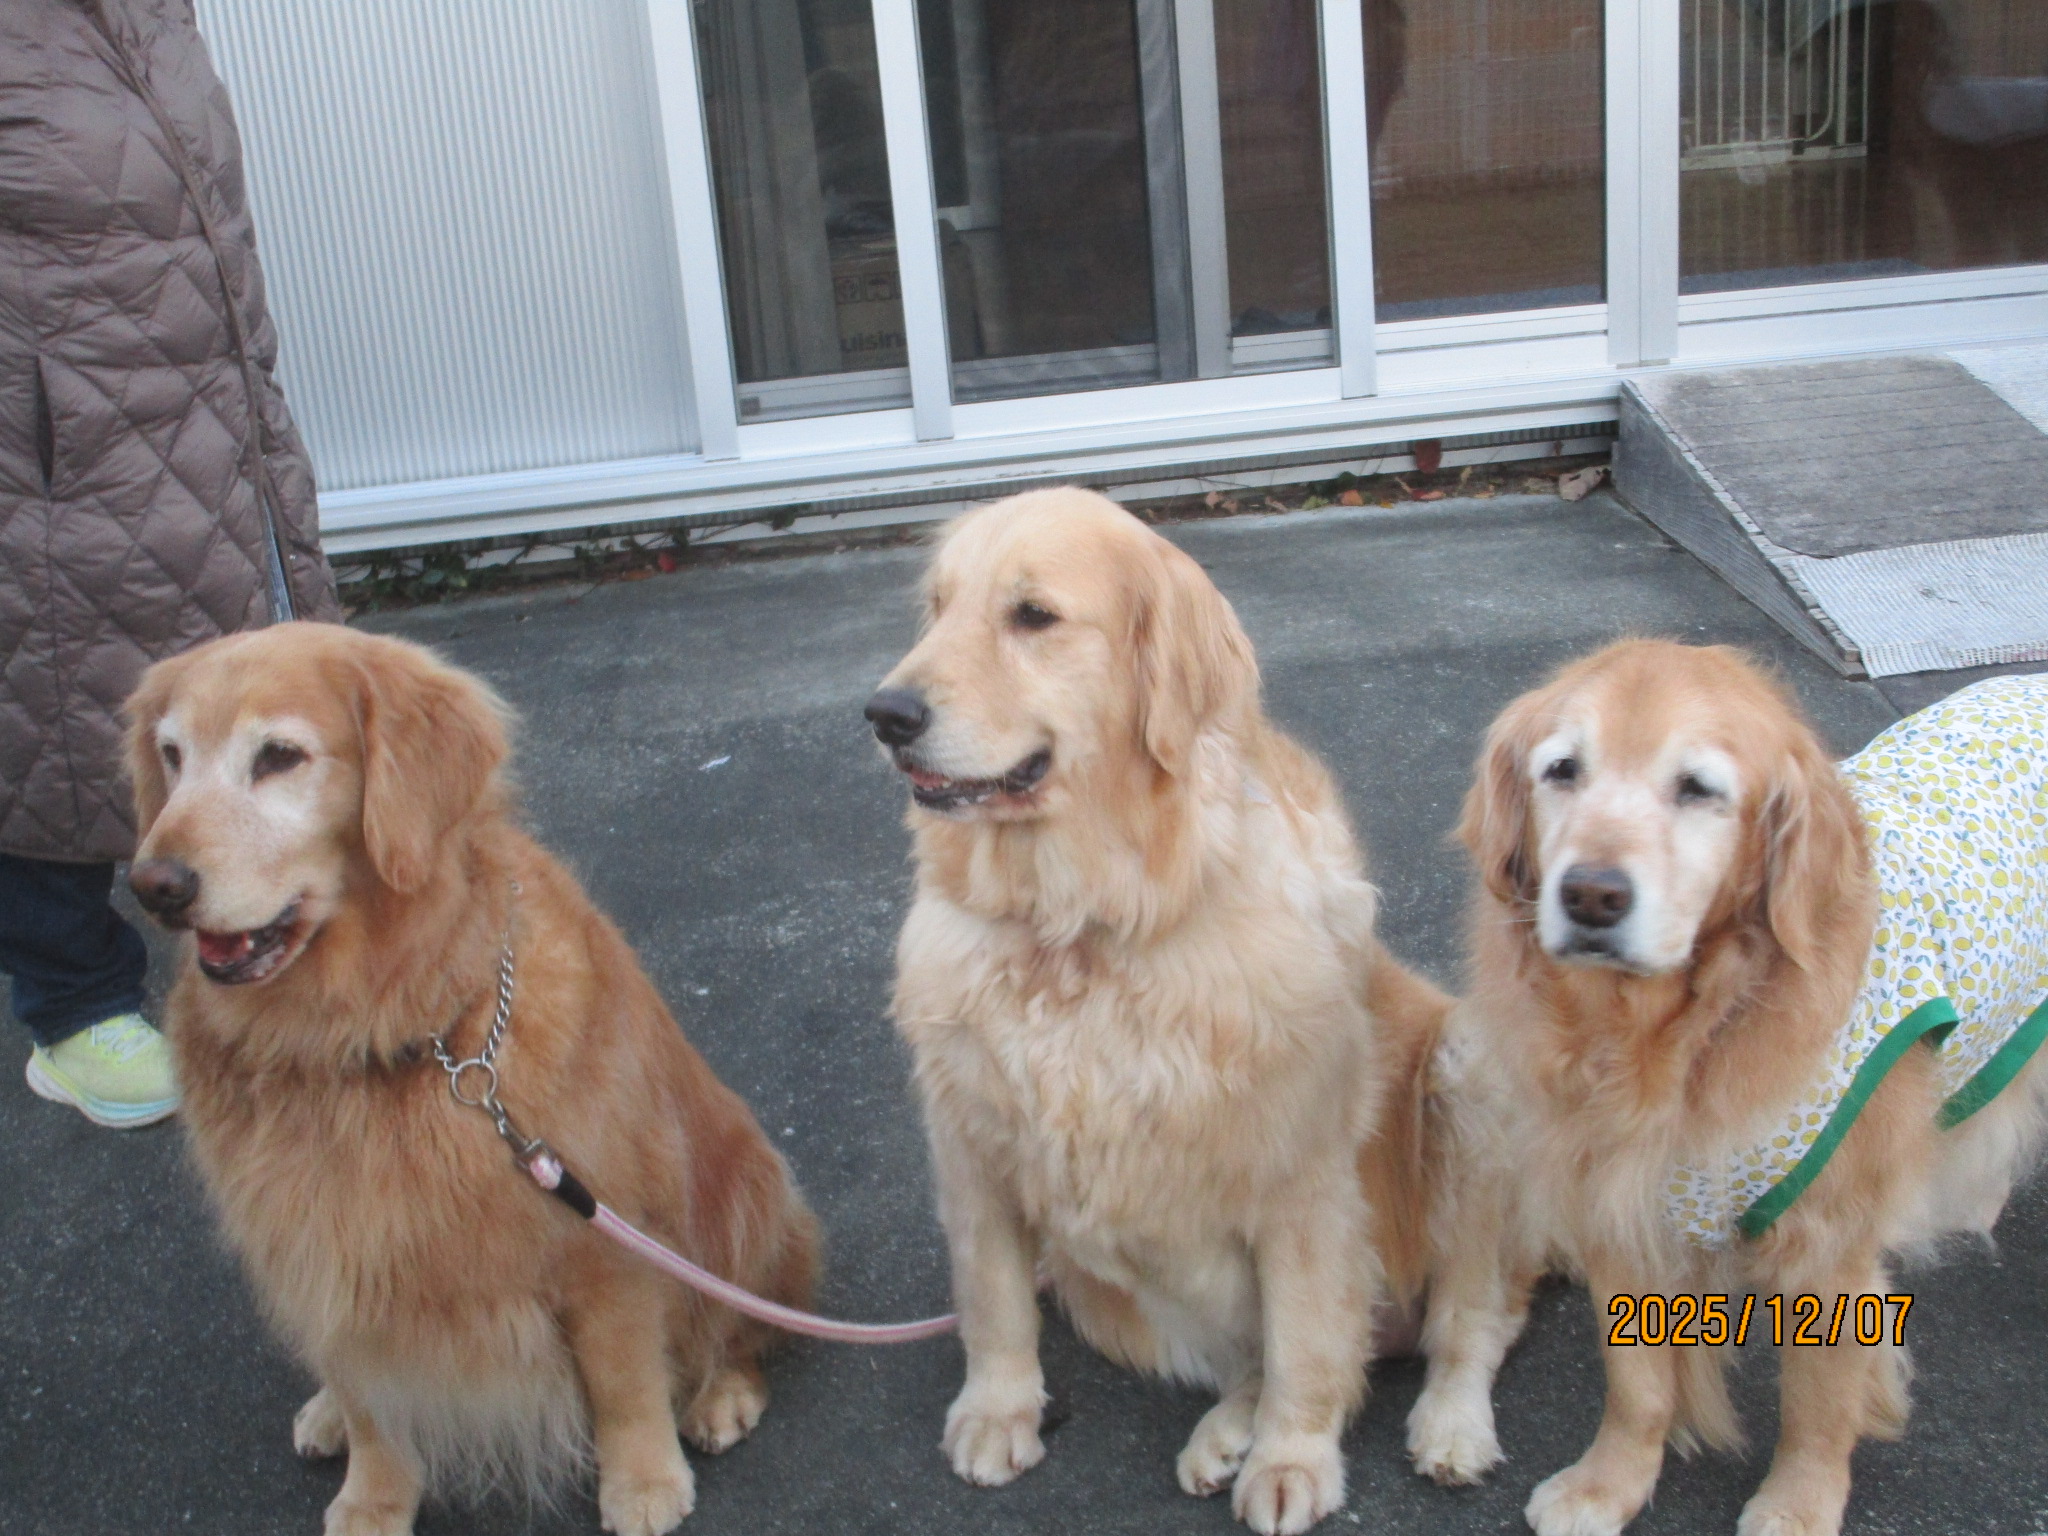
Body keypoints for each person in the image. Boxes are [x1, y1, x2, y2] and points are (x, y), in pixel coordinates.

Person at [1, 0, 338, 1126]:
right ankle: (72, 1008)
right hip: (53, 464)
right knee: (47, 721)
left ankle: (259, 931)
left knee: (235, 709)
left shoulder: (149, 14)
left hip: (204, 425)